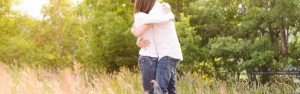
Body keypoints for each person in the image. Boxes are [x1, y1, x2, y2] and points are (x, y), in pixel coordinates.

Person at [132, 0, 183, 93]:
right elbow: (140, 28)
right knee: (170, 90)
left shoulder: (157, 10)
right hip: (170, 53)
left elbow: (139, 29)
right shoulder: (159, 8)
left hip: (167, 54)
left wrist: (170, 16)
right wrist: (137, 38)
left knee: (159, 90)